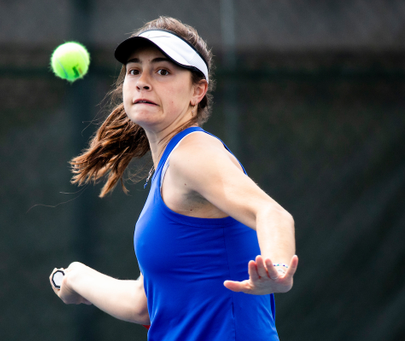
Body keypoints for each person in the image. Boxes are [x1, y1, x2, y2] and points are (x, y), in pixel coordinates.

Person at [50, 16, 298, 341]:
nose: (142, 81)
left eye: (163, 71)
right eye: (134, 70)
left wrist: (277, 271)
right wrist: (76, 278)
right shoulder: (169, 167)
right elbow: (145, 302)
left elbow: (271, 213)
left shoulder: (192, 153)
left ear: (198, 91)